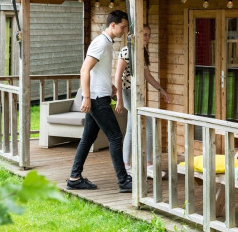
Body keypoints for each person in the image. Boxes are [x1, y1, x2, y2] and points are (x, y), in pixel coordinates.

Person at [67, 10, 132, 193]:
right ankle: (123, 181)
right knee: (116, 136)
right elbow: (84, 70)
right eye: (122, 26)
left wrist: (110, 86)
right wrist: (86, 97)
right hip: (96, 99)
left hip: (100, 95)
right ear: (113, 25)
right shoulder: (101, 43)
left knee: (87, 138)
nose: (124, 30)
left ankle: (74, 178)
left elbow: (98, 71)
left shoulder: (107, 43)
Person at [115, 24, 171, 176]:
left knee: (133, 127)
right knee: (144, 124)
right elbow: (117, 77)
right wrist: (119, 99)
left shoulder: (141, 51)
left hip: (136, 93)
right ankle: (140, 164)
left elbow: (147, 75)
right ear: (137, 35)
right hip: (127, 93)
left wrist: (161, 90)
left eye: (149, 35)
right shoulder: (127, 51)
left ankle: (133, 164)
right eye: (145, 34)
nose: (147, 38)